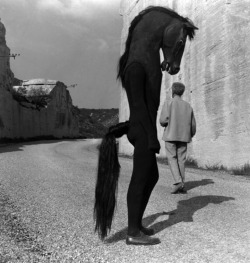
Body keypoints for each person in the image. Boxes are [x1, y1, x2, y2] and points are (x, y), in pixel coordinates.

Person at [159, 82, 196, 194]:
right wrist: (190, 134)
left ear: (173, 91)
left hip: (170, 135)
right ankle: (182, 185)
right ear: (183, 92)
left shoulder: (168, 103)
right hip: (184, 136)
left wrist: (167, 123)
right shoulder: (188, 106)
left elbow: (163, 120)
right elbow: (193, 125)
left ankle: (178, 182)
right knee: (181, 160)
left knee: (172, 158)